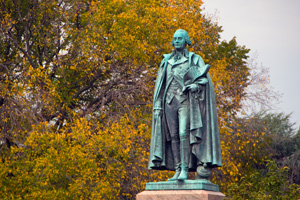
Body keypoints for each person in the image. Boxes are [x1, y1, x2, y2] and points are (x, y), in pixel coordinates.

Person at [148, 29, 222, 181]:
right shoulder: (166, 61)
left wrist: (196, 86)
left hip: (185, 102)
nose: (176, 41)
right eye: (174, 38)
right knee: (173, 136)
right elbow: (160, 87)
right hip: (168, 103)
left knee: (183, 133)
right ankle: (177, 170)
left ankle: (184, 169)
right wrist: (157, 105)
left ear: (186, 41)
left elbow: (204, 79)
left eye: (180, 38)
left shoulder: (194, 59)